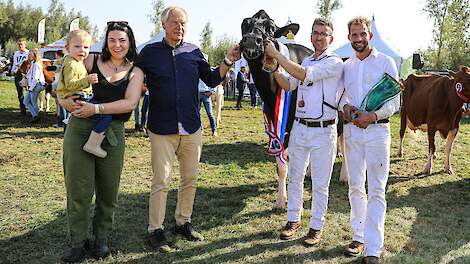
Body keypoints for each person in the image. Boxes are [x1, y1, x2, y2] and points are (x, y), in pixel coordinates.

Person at [134, 6, 241, 252]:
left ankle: (183, 222)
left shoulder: (194, 51)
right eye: (175, 23)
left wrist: (228, 60)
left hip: (192, 128)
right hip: (161, 129)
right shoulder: (149, 53)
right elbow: (132, 77)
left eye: (183, 23)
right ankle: (156, 229)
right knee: (161, 180)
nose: (179, 27)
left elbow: (213, 79)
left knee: (190, 179)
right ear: (164, 25)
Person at [58, 21, 143, 263]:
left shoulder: (136, 70)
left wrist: (95, 108)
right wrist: (65, 102)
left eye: (122, 40)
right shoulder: (89, 60)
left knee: (108, 190)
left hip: (113, 133)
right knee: (78, 189)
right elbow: (63, 86)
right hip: (80, 130)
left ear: (130, 43)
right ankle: (77, 242)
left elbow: (129, 104)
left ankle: (101, 238)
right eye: (112, 39)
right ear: (106, 41)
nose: (117, 44)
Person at [264, 17, 344, 247]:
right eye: (315, 32)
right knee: (295, 177)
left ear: (331, 38)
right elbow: (289, 84)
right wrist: (274, 69)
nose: (319, 36)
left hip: (323, 129)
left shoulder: (334, 62)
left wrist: (278, 56)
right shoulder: (307, 59)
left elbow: (303, 75)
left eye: (323, 33)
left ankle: (316, 227)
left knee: (320, 183)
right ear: (310, 37)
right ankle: (293, 220)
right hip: (300, 127)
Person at [340, 16, 400, 264]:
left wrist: (372, 115)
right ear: (349, 38)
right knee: (355, 187)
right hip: (353, 133)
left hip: (377, 132)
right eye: (354, 35)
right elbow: (341, 96)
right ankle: (358, 236)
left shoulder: (387, 62)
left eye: (363, 34)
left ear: (370, 35)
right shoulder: (347, 65)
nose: (359, 39)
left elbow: (395, 102)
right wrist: (344, 108)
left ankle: (373, 249)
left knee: (376, 190)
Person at [57, 29, 113, 158]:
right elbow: (70, 84)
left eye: (86, 47)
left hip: (79, 96)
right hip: (80, 96)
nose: (82, 50)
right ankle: (93, 143)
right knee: (106, 116)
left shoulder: (73, 61)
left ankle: (71, 123)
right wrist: (87, 80)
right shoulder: (72, 64)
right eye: (77, 46)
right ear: (67, 47)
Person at [23, 48, 45, 123]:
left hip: (36, 85)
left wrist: (31, 88)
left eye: (30, 53)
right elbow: (31, 74)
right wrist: (26, 76)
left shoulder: (36, 64)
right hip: (34, 84)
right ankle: (35, 116)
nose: (29, 54)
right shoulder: (33, 63)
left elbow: (35, 78)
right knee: (26, 101)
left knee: (33, 102)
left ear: (35, 54)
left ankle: (35, 117)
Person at [11, 37, 29, 116]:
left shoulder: (28, 53)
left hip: (26, 74)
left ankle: (31, 108)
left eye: (21, 44)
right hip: (18, 74)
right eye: (19, 44)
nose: (20, 46)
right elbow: (15, 63)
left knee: (29, 92)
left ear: (25, 45)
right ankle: (23, 110)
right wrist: (13, 70)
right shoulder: (16, 53)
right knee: (20, 92)